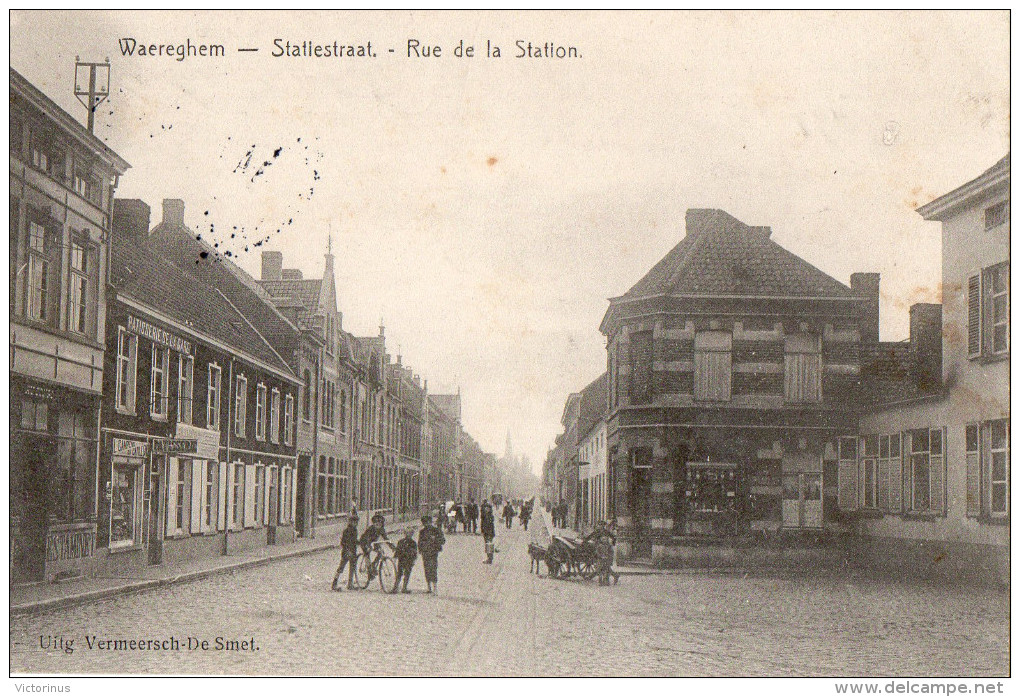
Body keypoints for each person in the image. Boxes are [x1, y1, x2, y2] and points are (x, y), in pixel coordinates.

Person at [331, 514, 360, 591]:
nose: (355, 524)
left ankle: (350, 584)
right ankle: (334, 583)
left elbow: (354, 541)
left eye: (356, 522)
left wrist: (359, 542)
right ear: (350, 522)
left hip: (353, 552)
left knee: (352, 568)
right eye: (354, 522)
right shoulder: (346, 531)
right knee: (341, 568)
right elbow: (343, 542)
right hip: (346, 552)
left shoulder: (355, 530)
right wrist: (347, 551)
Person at [418, 514, 445, 594]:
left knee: (433, 568)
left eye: (428, 523)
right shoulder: (422, 532)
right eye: (425, 523)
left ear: (431, 522)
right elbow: (420, 542)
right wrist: (420, 549)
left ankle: (435, 588)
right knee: (426, 569)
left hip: (433, 552)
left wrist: (435, 539)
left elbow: (443, 540)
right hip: (425, 552)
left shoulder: (436, 530)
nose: (426, 524)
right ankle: (429, 587)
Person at [358, 513, 389, 580]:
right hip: (364, 541)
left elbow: (385, 538)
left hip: (374, 542)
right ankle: (369, 571)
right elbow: (367, 538)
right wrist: (369, 546)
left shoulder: (382, 529)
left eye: (380, 524)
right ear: (374, 524)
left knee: (380, 552)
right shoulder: (370, 529)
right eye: (376, 524)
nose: (378, 525)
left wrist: (392, 546)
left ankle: (373, 565)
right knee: (367, 554)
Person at [394, 527, 418, 594]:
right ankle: (395, 587)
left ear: (412, 534)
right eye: (407, 533)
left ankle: (404, 588)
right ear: (404, 534)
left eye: (410, 533)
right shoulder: (401, 541)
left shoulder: (413, 543)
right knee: (399, 573)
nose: (408, 535)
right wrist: (395, 557)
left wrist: (414, 560)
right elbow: (398, 550)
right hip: (401, 560)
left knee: (407, 574)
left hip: (409, 560)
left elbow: (415, 552)